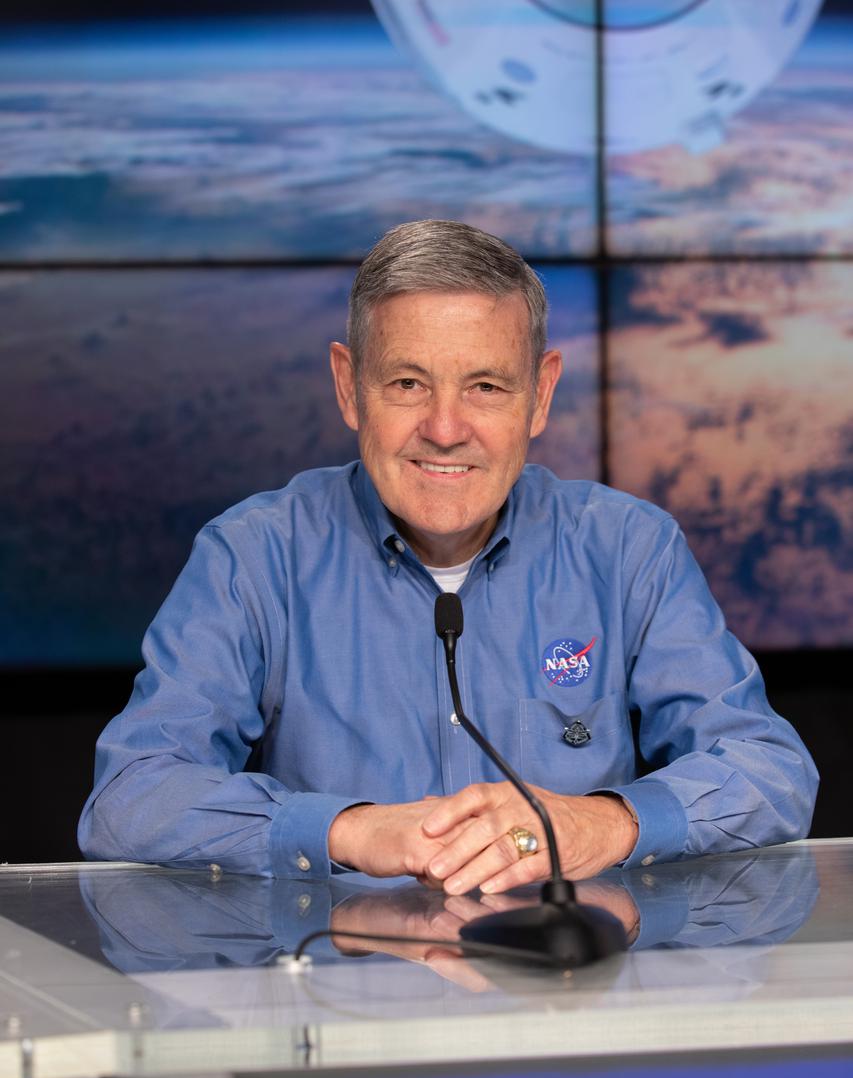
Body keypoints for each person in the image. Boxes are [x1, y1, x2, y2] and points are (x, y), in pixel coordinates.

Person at [78, 219, 818, 895]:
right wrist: (353, 830)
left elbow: (769, 771)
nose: (443, 428)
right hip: (344, 1003)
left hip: (568, 998)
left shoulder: (627, 548)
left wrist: (602, 822)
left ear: (539, 396)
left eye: (486, 387)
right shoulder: (253, 556)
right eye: (407, 384)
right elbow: (132, 797)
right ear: (348, 387)